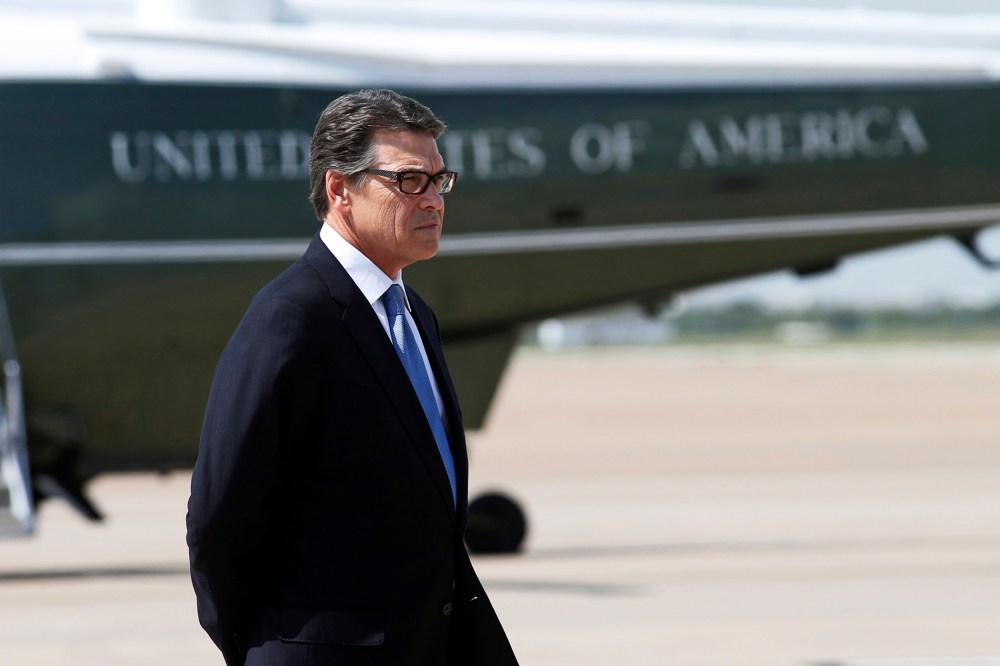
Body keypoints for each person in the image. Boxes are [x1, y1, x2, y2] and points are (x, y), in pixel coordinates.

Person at [186, 88, 519, 666]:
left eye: (440, 180)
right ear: (340, 188)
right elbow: (222, 515)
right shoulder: (292, 318)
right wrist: (265, 646)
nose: (433, 199)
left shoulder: (412, 313)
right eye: (409, 180)